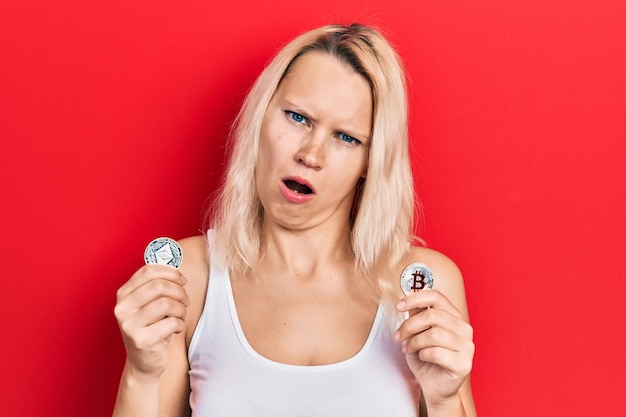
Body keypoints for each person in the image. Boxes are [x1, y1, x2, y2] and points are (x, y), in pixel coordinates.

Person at [113, 23, 476, 417]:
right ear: (261, 115)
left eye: (346, 137)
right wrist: (141, 373)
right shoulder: (188, 277)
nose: (311, 154)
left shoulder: (422, 289)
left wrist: (442, 401)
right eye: (298, 117)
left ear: (371, 162)